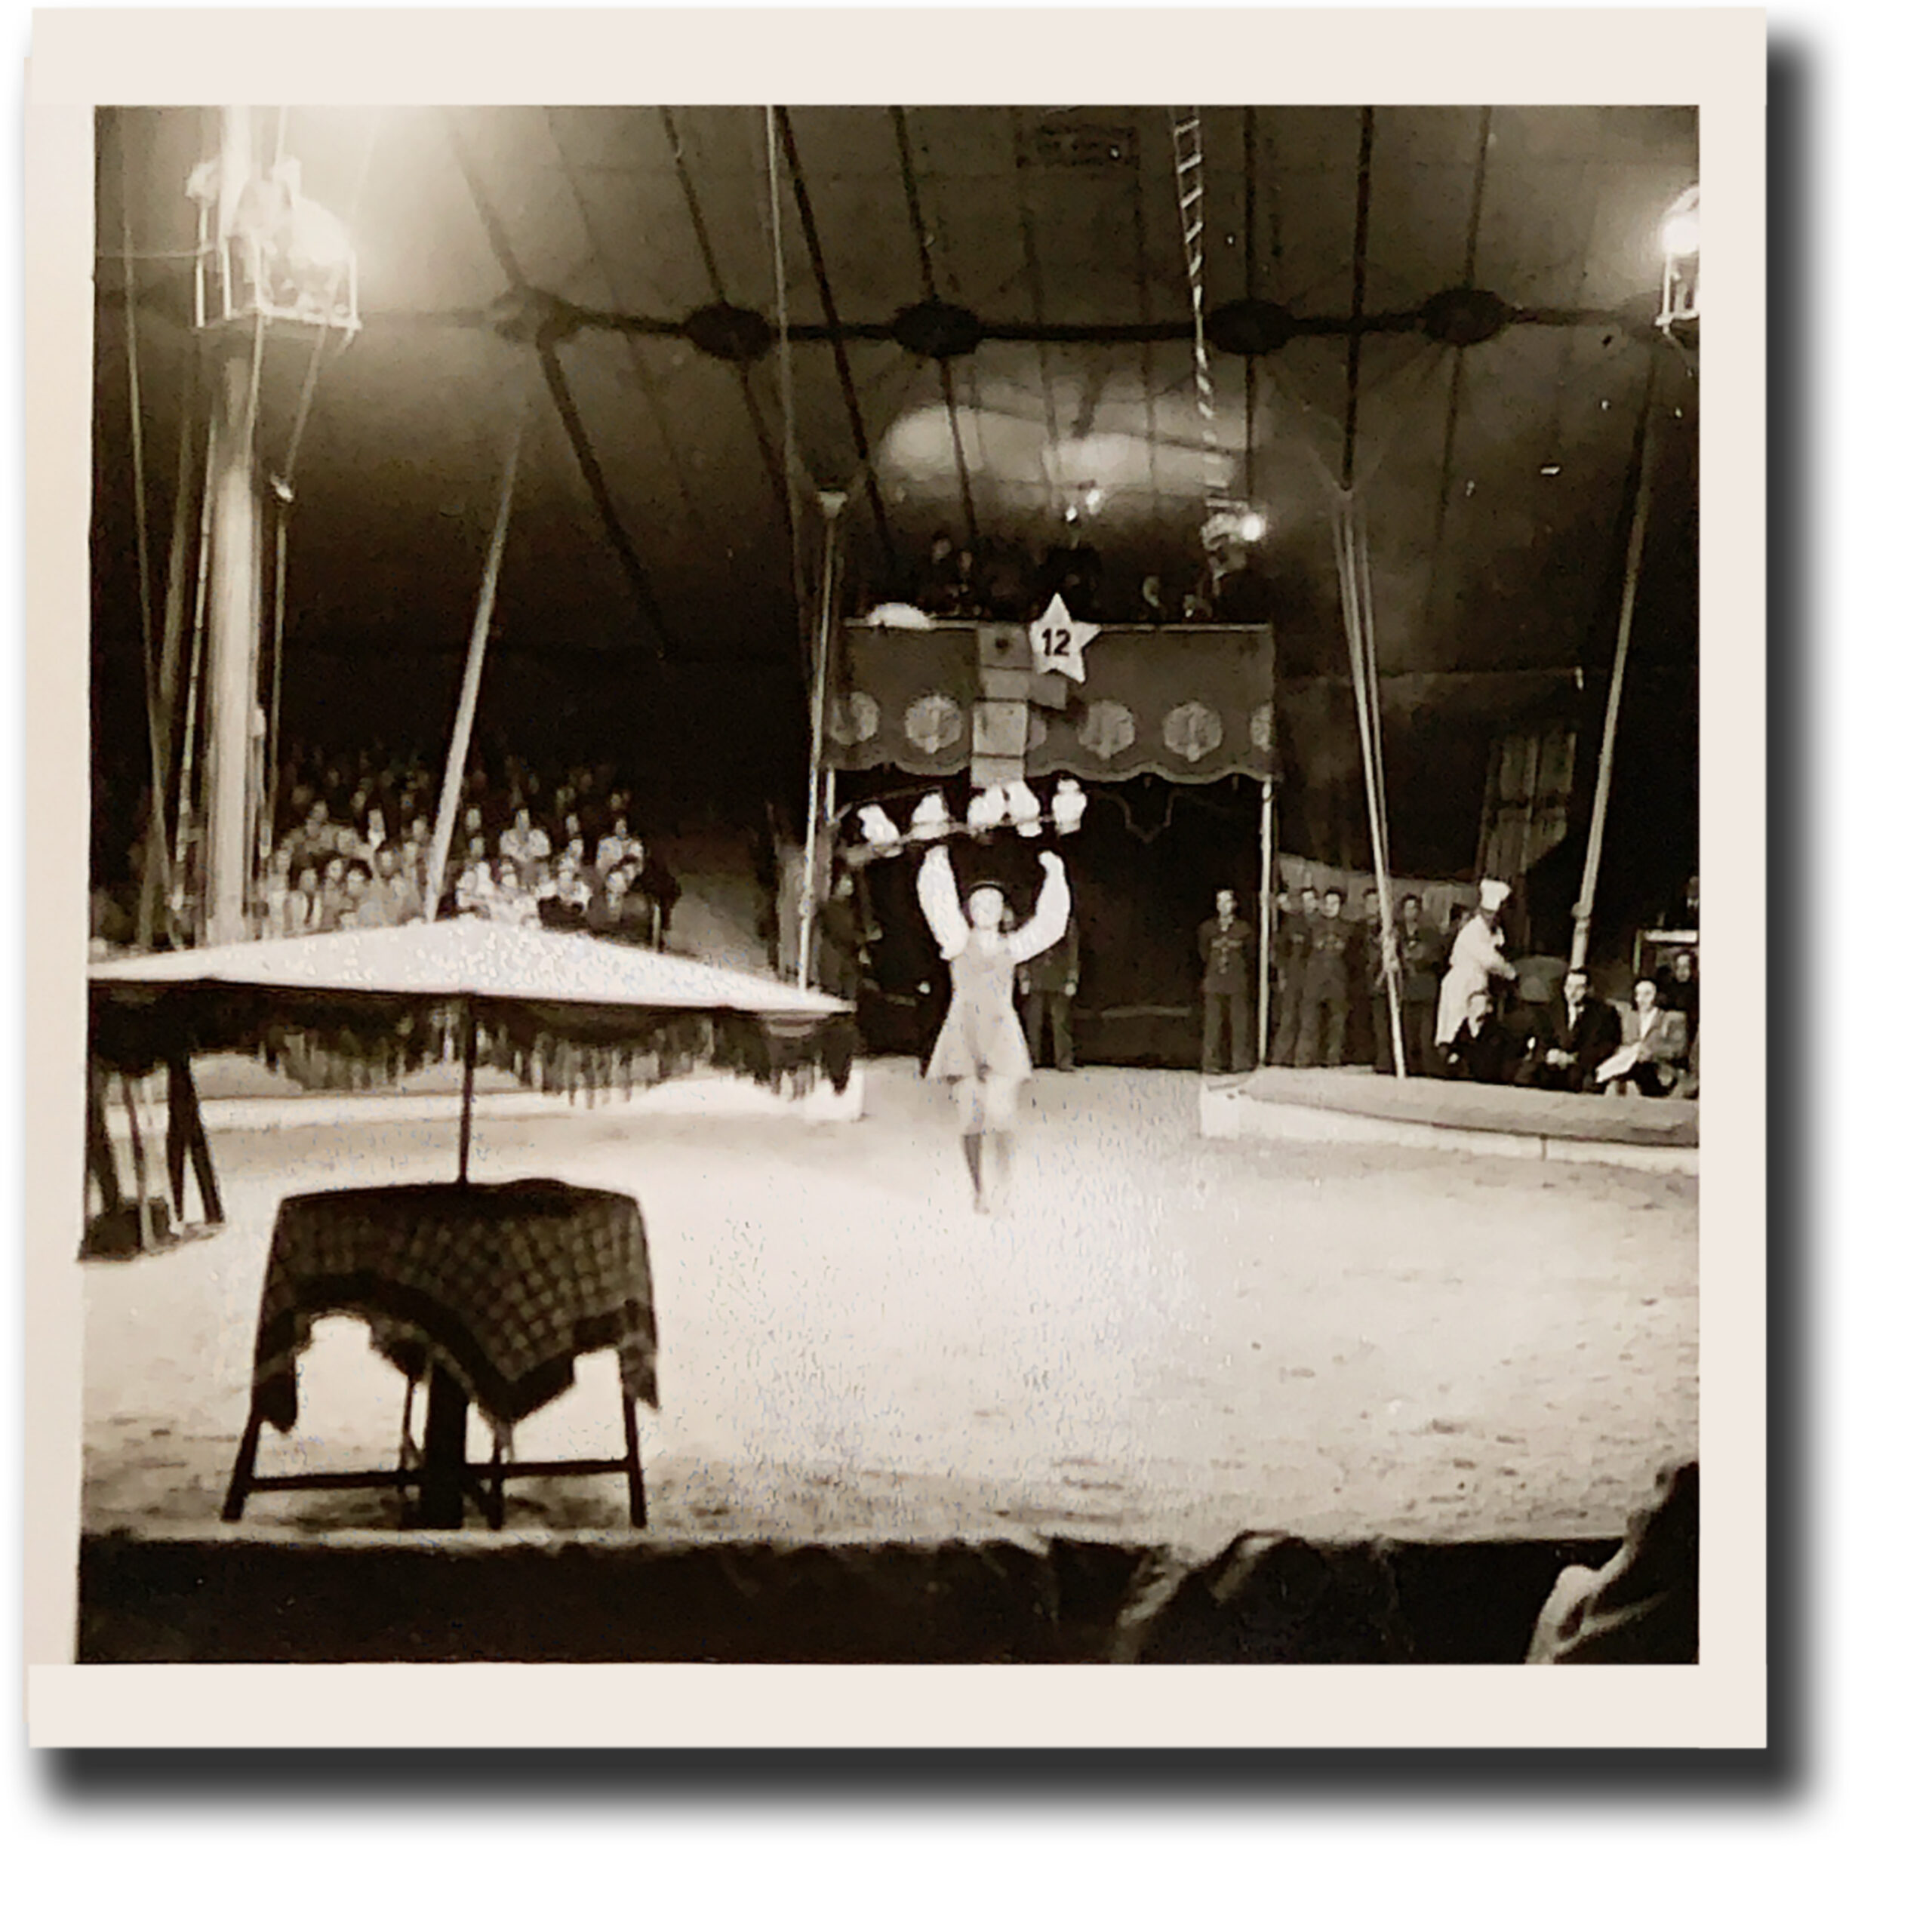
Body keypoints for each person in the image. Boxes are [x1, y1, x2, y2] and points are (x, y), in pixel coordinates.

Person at [918, 843, 1070, 1214]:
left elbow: (1049, 926)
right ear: (968, 910)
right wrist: (936, 861)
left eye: (993, 903)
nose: (985, 909)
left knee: (1001, 1116)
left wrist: (1055, 876)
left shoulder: (1013, 946)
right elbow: (937, 902)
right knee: (970, 1119)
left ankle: (1003, 1185)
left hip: (1001, 1033)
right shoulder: (956, 941)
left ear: (1003, 911)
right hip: (963, 1032)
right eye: (978, 903)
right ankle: (979, 1190)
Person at [1435, 878, 1518, 1055]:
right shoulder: (1472, 930)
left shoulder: (1492, 932)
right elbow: (1490, 960)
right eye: (1488, 913)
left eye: (1495, 914)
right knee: (1455, 1026)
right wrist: (1511, 972)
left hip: (1477, 985)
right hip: (1462, 983)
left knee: (1476, 1027)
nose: (1492, 917)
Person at [1519, 968, 1622, 1092]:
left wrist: (1574, 1058)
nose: (1572, 993)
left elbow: (1607, 1045)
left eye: (1578, 988)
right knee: (1526, 1076)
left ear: (1588, 990)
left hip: (1583, 1066)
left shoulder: (1605, 1013)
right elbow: (1542, 1038)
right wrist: (1550, 1054)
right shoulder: (1550, 1011)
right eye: (1569, 987)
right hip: (1552, 1065)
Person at [1595, 978, 1690, 1097]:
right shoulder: (1630, 1018)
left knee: (1643, 1071)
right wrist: (1624, 1050)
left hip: (1659, 1068)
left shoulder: (1671, 1019)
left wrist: (1651, 1052)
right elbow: (1622, 1043)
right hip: (1629, 1067)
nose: (1641, 999)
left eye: (1647, 994)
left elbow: (1678, 1049)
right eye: (1638, 994)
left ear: (1657, 996)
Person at [1198, 888, 1255, 1075]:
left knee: (1240, 1024)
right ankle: (1210, 1062)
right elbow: (1204, 953)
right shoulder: (1207, 928)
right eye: (1220, 902)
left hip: (1237, 981)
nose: (1223, 906)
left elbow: (1250, 954)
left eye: (1227, 902)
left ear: (1234, 905)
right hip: (1214, 981)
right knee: (1213, 1024)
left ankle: (1240, 1062)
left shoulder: (1243, 929)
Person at [1294, 888, 1351, 1069]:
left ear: (1341, 906)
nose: (1330, 907)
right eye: (1327, 903)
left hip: (1338, 980)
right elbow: (1301, 954)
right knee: (1309, 1020)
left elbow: (1354, 957)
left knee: (1337, 1021)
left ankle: (1333, 1058)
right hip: (1314, 978)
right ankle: (1305, 1058)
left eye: (1335, 903)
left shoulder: (1348, 928)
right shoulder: (1312, 926)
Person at [1020, 909, 1080, 1072]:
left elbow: (1073, 952)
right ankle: (1031, 1058)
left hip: (1060, 977)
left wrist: (1072, 979)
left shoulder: (1067, 923)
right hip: (1036, 977)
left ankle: (1064, 1060)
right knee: (1033, 1021)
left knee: (1061, 1021)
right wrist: (1024, 978)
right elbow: (1024, 951)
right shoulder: (1032, 923)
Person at [1393, 894, 1444, 1076]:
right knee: (1408, 1033)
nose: (1410, 912)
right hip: (1407, 990)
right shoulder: (1397, 935)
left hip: (1426, 987)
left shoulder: (1430, 934)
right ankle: (1410, 1068)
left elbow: (1436, 958)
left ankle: (1428, 1069)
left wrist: (1418, 957)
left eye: (1414, 908)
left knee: (1425, 1034)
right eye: (1407, 908)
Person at [1269, 884, 1318, 1066]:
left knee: (1309, 1019)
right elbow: (1281, 948)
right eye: (1304, 901)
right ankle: (1281, 1057)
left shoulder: (1322, 922)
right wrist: (1282, 972)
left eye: (1311, 900)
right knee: (1288, 1017)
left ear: (1317, 902)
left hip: (1316, 977)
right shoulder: (1293, 923)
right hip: (1294, 975)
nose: (1308, 904)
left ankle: (1304, 1058)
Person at [1444, 989, 1509, 1084]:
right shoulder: (1464, 1029)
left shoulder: (1497, 1031)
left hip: (1489, 1080)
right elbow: (1457, 1048)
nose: (1476, 1009)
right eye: (1473, 1005)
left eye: (1480, 1005)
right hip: (1465, 1079)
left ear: (1489, 1008)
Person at [1660, 948, 1700, 1046]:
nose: (1682, 971)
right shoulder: (1668, 987)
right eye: (1678, 967)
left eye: (1685, 967)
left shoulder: (1697, 989)